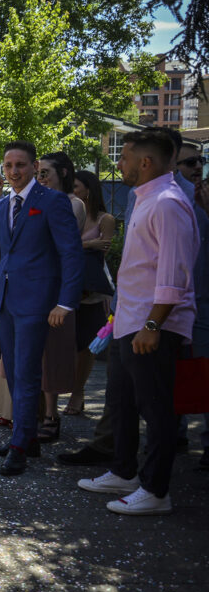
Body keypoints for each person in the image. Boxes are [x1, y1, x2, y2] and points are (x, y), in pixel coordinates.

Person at [75, 128, 196, 515]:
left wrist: (152, 326)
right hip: (130, 321)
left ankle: (156, 490)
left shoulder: (167, 202)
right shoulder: (146, 199)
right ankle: (124, 472)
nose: (119, 164)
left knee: (156, 408)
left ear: (145, 162)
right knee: (122, 402)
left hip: (153, 327)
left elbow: (174, 274)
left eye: (124, 157)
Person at [0, 141, 83, 476]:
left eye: (20, 165)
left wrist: (65, 302)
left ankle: (20, 444)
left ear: (34, 166)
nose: (14, 172)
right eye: (8, 166)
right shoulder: (2, 204)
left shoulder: (52, 201)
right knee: (15, 372)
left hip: (38, 302)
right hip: (6, 301)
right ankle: (27, 436)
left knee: (26, 372)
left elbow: (71, 253)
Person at [34, 152, 85, 441]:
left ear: (63, 173)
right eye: (38, 172)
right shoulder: (34, 199)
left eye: (46, 173)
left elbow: (66, 248)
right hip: (32, 289)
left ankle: (51, 414)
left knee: (52, 355)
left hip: (55, 291)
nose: (40, 178)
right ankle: (33, 413)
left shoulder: (72, 203)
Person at [65, 171, 116, 416]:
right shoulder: (68, 212)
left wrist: (81, 246)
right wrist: (87, 244)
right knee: (68, 341)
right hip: (67, 284)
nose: (72, 191)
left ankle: (78, 392)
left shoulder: (105, 219)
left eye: (76, 186)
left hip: (91, 289)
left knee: (86, 343)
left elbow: (103, 250)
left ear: (88, 189)